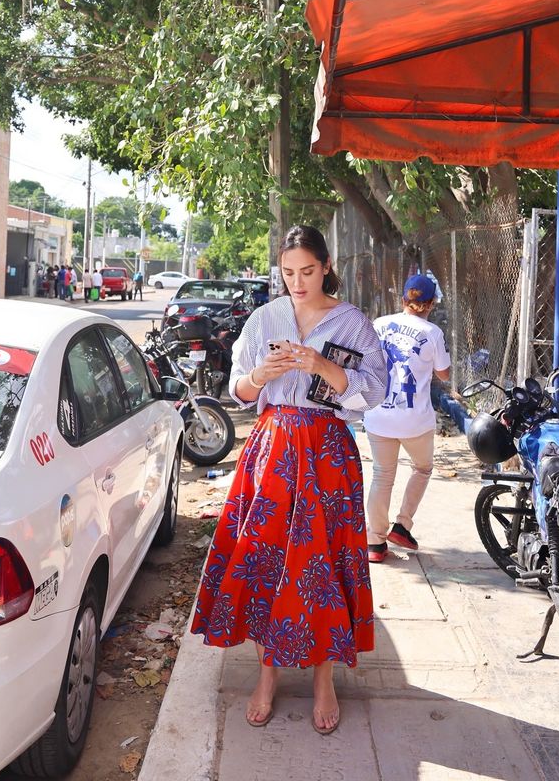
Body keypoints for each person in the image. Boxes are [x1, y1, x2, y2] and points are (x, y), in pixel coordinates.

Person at [191, 225, 387, 736]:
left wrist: (322, 365)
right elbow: (237, 389)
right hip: (272, 449)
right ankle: (266, 676)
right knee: (265, 559)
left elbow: (374, 393)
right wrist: (261, 376)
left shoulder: (353, 323)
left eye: (306, 271)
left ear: (325, 266)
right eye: (287, 273)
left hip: (328, 455)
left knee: (324, 566)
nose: (297, 283)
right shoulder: (264, 318)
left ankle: (325, 679)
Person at [362, 273, 451, 563]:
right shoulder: (432, 332)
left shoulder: (379, 324)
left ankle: (375, 543)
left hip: (378, 416)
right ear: (431, 304)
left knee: (382, 475)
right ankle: (402, 525)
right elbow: (444, 373)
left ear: (403, 300)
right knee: (422, 468)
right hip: (415, 420)